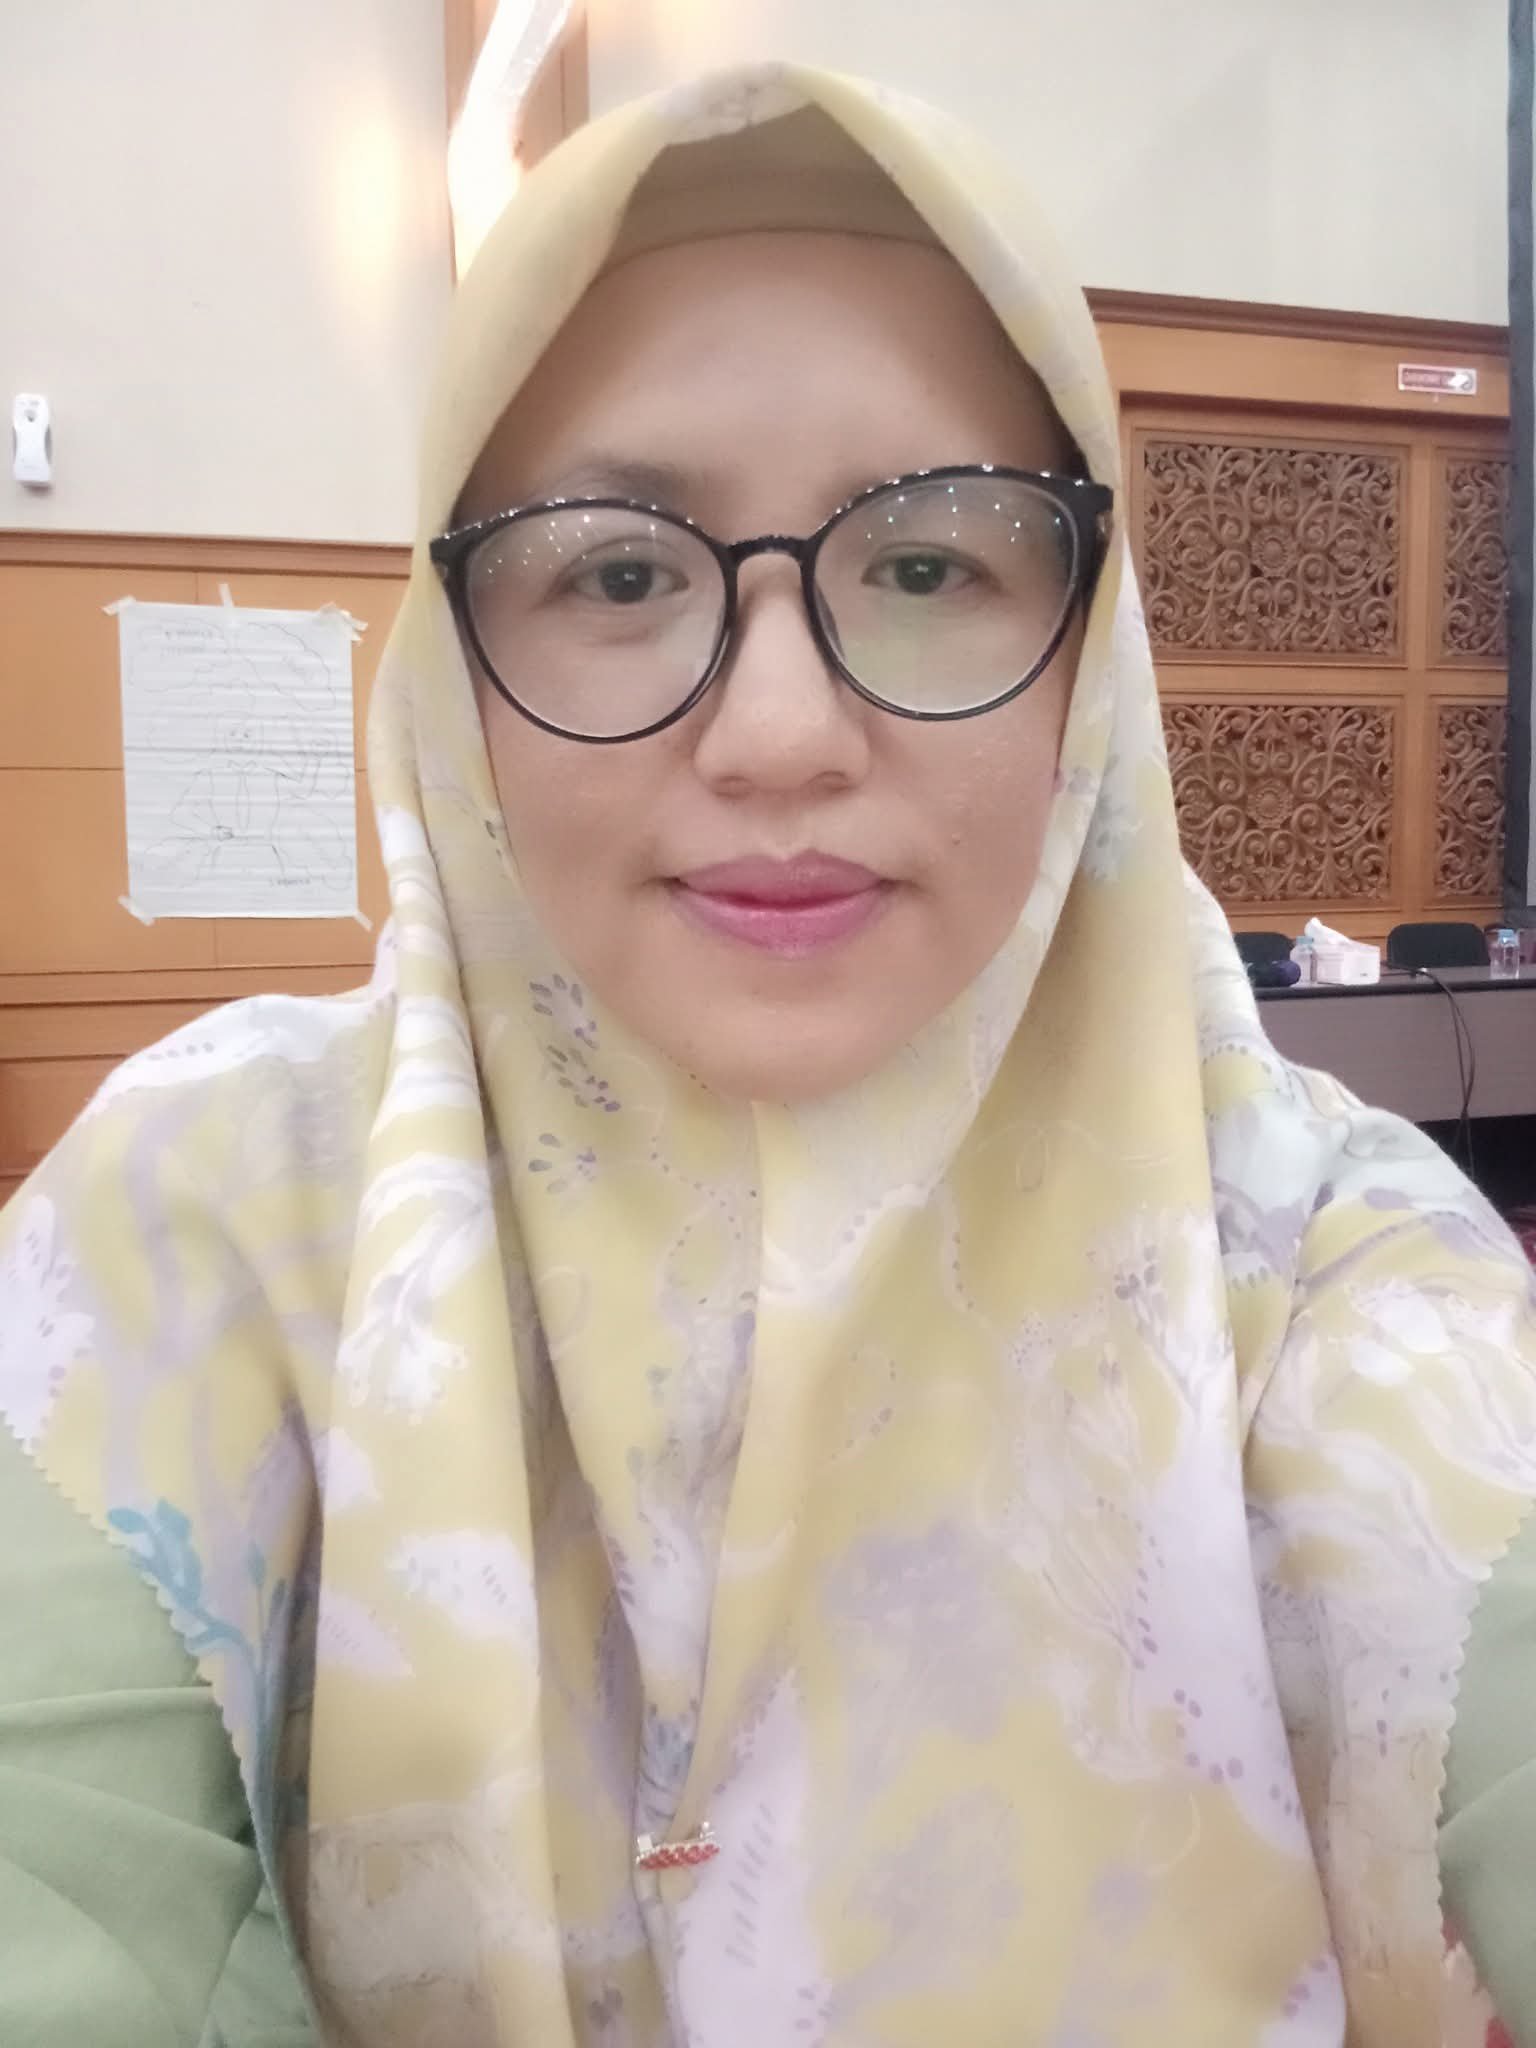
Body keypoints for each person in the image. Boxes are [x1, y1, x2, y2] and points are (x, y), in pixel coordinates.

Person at [1, 60, 1533, 2048]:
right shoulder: (207, 1216)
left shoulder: (1319, 1254)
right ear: (460, 667)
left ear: (1089, 652)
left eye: (932, 561)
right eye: (619, 572)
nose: (784, 734)